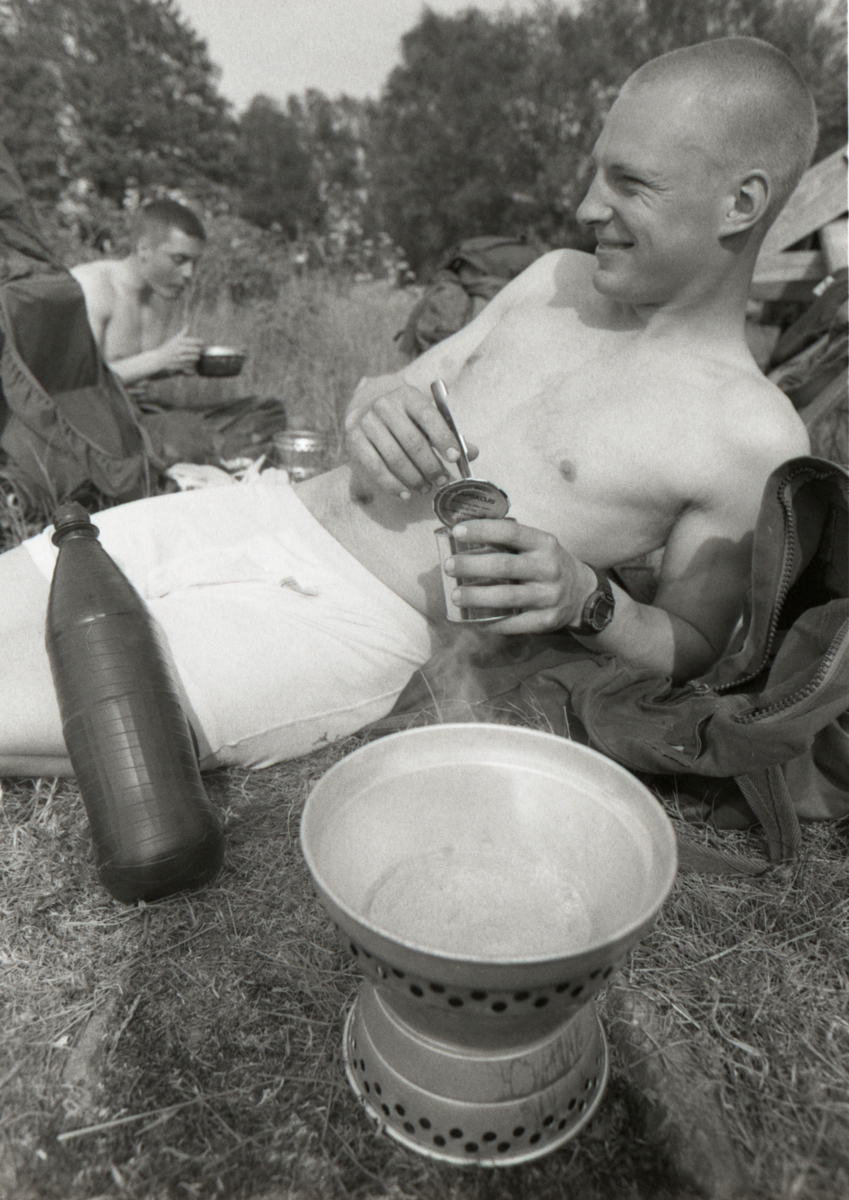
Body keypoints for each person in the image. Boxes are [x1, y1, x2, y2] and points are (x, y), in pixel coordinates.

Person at [0, 37, 815, 778]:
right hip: (265, 510)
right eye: (596, 172)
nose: (585, 208)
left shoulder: (751, 433)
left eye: (629, 183)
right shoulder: (553, 280)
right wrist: (373, 400)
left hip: (344, 624)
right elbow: (393, 389)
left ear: (739, 204)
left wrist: (587, 599)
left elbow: (694, 645)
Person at [70, 199, 206, 391]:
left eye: (194, 262)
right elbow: (75, 382)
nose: (189, 273)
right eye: (179, 259)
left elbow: (130, 370)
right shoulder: (91, 286)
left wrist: (177, 363)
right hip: (84, 409)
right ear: (144, 249)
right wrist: (159, 359)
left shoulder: (160, 295)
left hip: (132, 408)